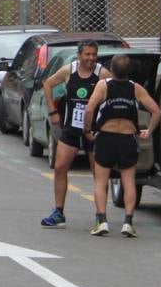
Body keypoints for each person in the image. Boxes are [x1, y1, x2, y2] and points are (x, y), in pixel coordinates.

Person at [83, 55, 161, 238]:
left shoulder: (103, 85)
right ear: (130, 71)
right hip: (128, 138)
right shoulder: (136, 88)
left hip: (106, 137)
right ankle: (128, 222)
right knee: (129, 181)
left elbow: (89, 109)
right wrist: (148, 131)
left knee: (101, 180)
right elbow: (157, 111)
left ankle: (102, 220)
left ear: (111, 69)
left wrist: (88, 130)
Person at [38, 41, 111, 228]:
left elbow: (113, 95)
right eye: (87, 54)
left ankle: (100, 215)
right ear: (79, 55)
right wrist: (53, 111)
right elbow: (47, 84)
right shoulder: (68, 71)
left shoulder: (102, 74)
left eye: (94, 54)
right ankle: (58, 212)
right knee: (60, 167)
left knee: (99, 173)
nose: (91, 58)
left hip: (94, 132)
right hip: (71, 129)